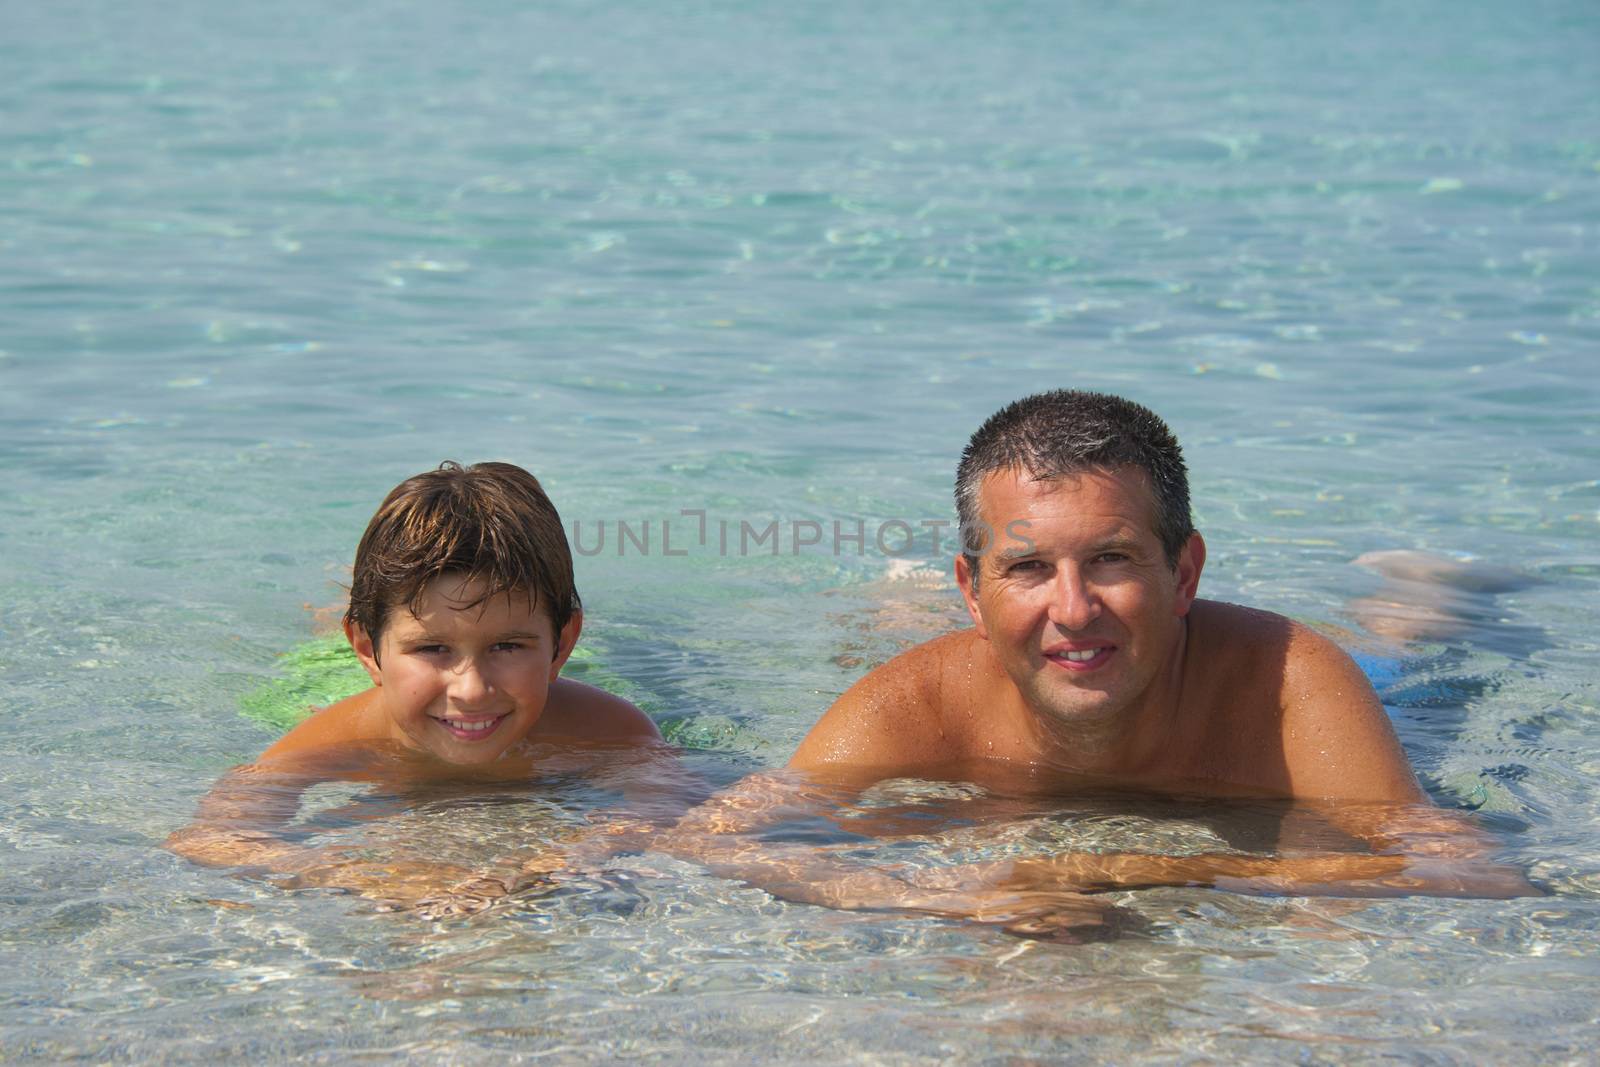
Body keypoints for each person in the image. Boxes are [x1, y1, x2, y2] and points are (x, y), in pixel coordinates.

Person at [668, 391, 1534, 930]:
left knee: (1402, 660)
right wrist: (941, 893)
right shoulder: (913, 706)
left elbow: (1469, 869)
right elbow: (706, 843)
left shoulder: (1288, 686)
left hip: (1328, 685)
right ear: (971, 591)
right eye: (1029, 566)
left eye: (1113, 559)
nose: (1075, 605)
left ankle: (1427, 595)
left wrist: (1137, 869)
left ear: (1185, 570)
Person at [166, 462, 670, 916]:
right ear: (366, 650)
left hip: (413, 674)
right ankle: (340, 613)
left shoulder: (608, 728)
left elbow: (668, 809)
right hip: (338, 681)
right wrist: (369, 876)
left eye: (508, 646)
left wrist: (564, 858)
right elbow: (210, 838)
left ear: (562, 645)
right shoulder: (338, 741)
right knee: (318, 661)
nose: (472, 690)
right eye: (433, 649)